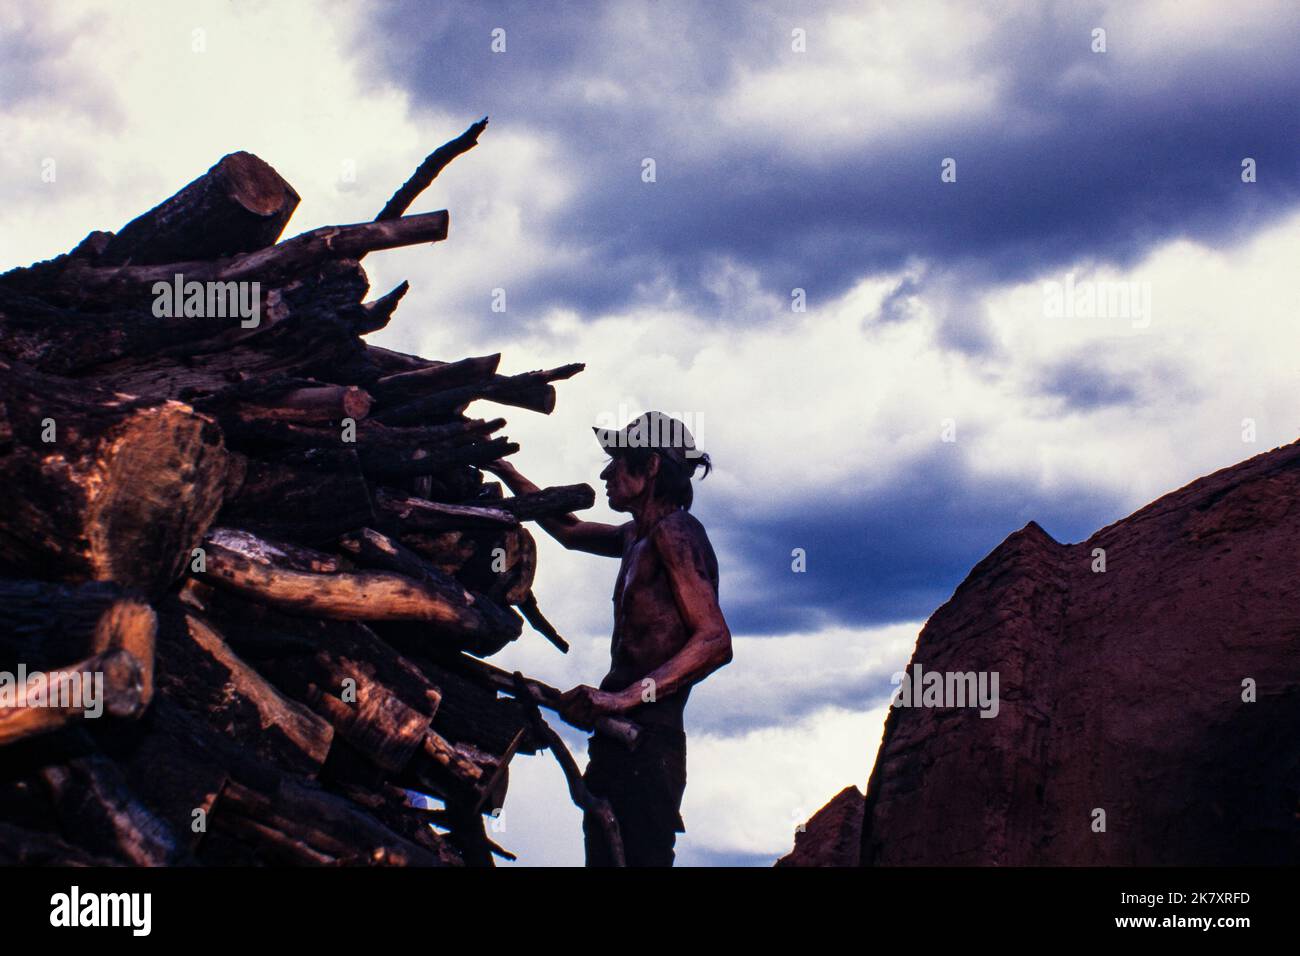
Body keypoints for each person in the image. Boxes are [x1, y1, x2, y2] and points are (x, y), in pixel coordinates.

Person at [485, 411, 732, 866]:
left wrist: (621, 701)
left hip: (648, 741)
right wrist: (506, 469)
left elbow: (715, 640)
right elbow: (569, 531)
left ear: (652, 465)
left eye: (618, 461)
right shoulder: (636, 535)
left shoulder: (677, 534)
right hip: (618, 741)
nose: (605, 473)